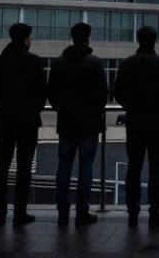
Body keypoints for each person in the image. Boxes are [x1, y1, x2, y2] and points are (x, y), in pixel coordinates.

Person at [114, 25, 159, 227]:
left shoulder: (127, 64)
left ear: (138, 39)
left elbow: (119, 92)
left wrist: (133, 107)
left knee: (134, 166)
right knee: (156, 167)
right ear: (155, 40)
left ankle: (132, 210)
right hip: (158, 122)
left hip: (135, 121)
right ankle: (155, 211)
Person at [48, 23, 108, 226]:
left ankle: (62, 211)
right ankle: (82, 210)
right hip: (89, 123)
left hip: (66, 122)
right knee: (86, 168)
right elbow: (102, 94)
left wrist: (62, 109)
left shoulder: (58, 63)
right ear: (87, 38)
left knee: (64, 166)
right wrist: (93, 111)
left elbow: (52, 94)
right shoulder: (94, 63)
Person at [0, 23, 47, 227]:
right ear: (24, 39)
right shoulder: (34, 61)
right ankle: (20, 211)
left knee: (1, 166)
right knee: (24, 167)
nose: (31, 42)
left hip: (5, 119)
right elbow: (41, 94)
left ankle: (0, 210)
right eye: (30, 38)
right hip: (28, 120)